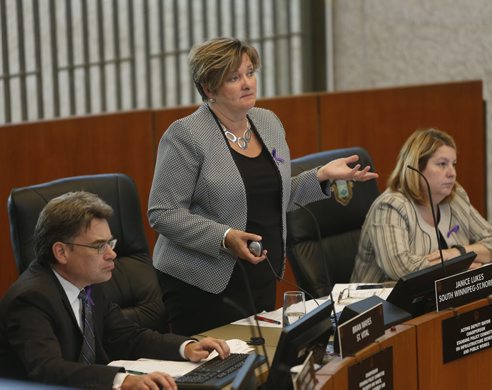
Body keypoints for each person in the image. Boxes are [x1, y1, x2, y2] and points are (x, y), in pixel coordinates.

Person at [148, 37, 378, 336]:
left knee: (260, 366)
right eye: (234, 77)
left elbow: (274, 195)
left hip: (259, 269)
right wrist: (225, 236)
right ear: (208, 87)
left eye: (250, 72)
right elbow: (162, 212)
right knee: (220, 371)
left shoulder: (268, 123)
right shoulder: (186, 135)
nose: (247, 83)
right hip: (203, 281)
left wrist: (321, 175)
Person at [0, 191, 230, 389]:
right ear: (61, 252)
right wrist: (122, 380)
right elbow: (47, 370)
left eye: (110, 243)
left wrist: (186, 347)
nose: (112, 254)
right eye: (99, 246)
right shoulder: (31, 299)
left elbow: (126, 336)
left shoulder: (89, 284)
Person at [350, 128, 492, 283]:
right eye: (442, 164)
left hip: (438, 298)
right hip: (377, 303)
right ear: (416, 167)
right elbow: (401, 270)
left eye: (453, 164)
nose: (452, 173)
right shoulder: (390, 206)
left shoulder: (455, 197)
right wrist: (462, 265)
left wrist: (458, 253)